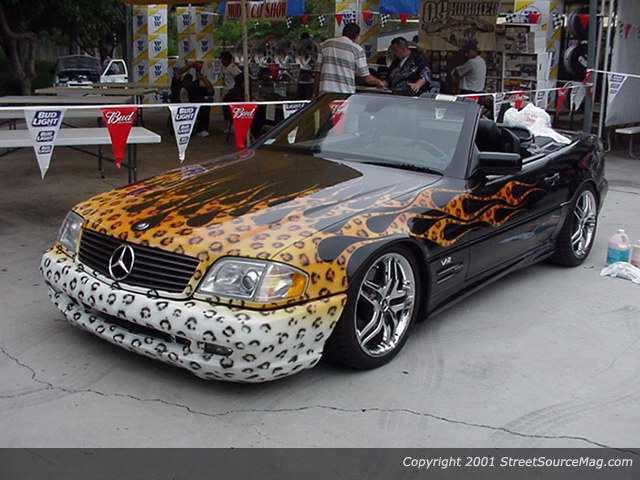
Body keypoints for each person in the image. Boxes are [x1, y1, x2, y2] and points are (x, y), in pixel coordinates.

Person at [315, 23, 385, 94]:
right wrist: (379, 82)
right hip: (345, 93)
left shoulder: (325, 45)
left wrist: (315, 92)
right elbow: (366, 78)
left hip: (324, 92)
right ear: (357, 36)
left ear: (343, 32)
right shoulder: (357, 49)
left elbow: (317, 72)